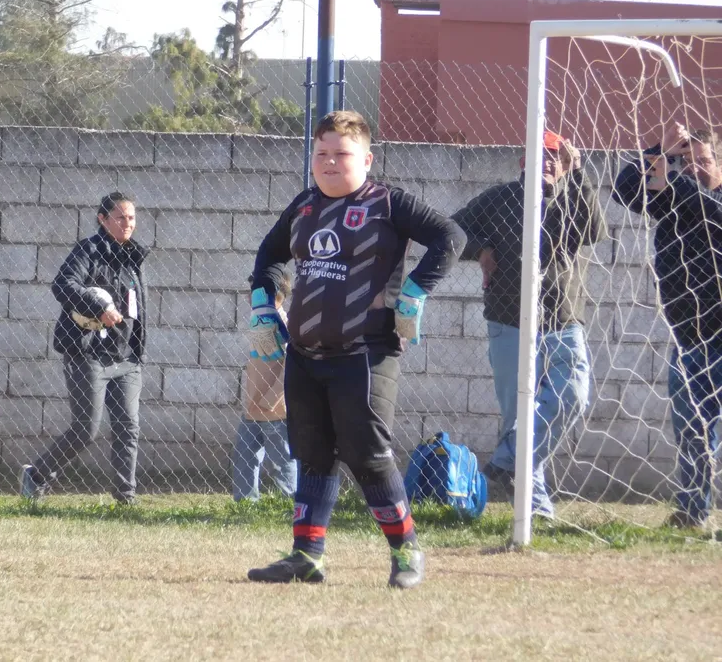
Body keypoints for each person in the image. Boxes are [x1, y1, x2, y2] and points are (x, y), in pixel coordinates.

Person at [246, 110, 466, 589]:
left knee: (367, 454)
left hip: (365, 353)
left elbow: (451, 237)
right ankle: (307, 556)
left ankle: (407, 551)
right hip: (304, 354)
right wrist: (263, 304)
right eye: (320, 154)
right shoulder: (304, 206)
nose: (328, 162)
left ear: (366, 158)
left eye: (340, 154)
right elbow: (268, 254)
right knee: (313, 455)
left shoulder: (389, 204)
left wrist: (415, 292)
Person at [451, 131, 606, 520]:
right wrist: (481, 247)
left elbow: (594, 232)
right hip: (508, 320)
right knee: (518, 417)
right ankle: (536, 509)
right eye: (541, 156)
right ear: (524, 161)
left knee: (573, 396)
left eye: (556, 156)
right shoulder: (499, 199)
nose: (549, 162)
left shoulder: (573, 197)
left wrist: (580, 173)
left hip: (563, 320)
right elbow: (450, 232)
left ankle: (503, 465)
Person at [612, 121, 722, 529]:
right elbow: (624, 187)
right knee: (692, 430)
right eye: (686, 162)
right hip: (688, 338)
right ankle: (693, 512)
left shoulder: (702, 200)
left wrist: (674, 176)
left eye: (704, 161)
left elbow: (709, 211)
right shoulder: (674, 201)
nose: (694, 169)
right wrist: (660, 148)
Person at [20, 192, 149, 505]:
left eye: (131, 217)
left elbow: (138, 307)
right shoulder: (88, 250)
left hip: (127, 357)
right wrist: (97, 306)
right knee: (85, 430)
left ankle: (124, 498)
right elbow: (63, 284)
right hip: (88, 354)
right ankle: (36, 475)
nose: (127, 223)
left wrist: (138, 348)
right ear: (103, 220)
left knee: (128, 427)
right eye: (120, 217)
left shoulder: (134, 257)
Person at [231, 270, 297, 502]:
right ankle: (245, 501)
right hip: (253, 405)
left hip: (274, 408)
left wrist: (272, 399)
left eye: (255, 291)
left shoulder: (283, 324)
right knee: (245, 455)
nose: (250, 297)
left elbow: (293, 365)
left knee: (282, 458)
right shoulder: (261, 322)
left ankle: (288, 503)